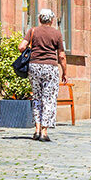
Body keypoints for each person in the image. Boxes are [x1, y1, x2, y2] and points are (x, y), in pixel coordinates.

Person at [24, 8, 65, 141]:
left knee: (37, 98)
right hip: (50, 68)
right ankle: (44, 131)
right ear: (52, 20)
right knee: (49, 98)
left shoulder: (33, 31)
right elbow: (62, 56)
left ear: (40, 19)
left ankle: (36, 129)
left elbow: (21, 46)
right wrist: (65, 71)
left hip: (34, 66)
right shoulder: (56, 33)